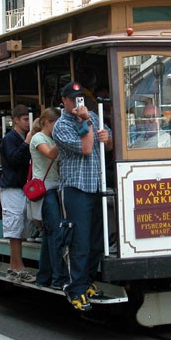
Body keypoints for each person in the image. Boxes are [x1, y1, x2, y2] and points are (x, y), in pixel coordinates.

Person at [53, 81, 113, 311]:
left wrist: (107, 138)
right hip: (75, 188)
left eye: (81, 98)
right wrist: (86, 121)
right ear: (65, 101)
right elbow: (87, 148)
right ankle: (74, 288)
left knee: (95, 241)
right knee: (78, 241)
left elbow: (105, 145)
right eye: (74, 99)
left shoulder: (94, 117)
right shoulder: (61, 125)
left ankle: (87, 282)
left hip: (95, 186)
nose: (79, 102)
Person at [29, 107, 68, 289]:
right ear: (46, 122)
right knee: (56, 233)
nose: (58, 128)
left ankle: (43, 277)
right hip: (45, 190)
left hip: (54, 188)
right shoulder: (38, 138)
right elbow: (51, 154)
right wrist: (64, 137)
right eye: (56, 124)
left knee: (48, 235)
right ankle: (58, 279)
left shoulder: (51, 138)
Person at [0, 104, 35, 283]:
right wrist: (27, 142)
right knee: (14, 229)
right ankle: (18, 267)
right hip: (12, 188)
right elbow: (13, 160)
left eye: (29, 119)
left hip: (21, 188)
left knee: (20, 229)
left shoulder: (19, 137)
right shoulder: (10, 138)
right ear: (16, 120)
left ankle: (13, 267)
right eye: (25, 119)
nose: (28, 123)